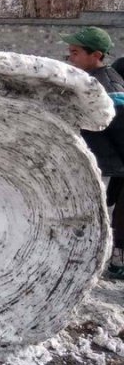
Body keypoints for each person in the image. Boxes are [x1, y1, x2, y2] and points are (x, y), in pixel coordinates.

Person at [63, 27, 124, 279]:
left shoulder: (108, 86)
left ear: (96, 55)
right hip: (100, 159)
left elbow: (119, 130)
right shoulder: (89, 79)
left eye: (75, 53)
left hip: (109, 161)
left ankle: (113, 260)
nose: (70, 58)